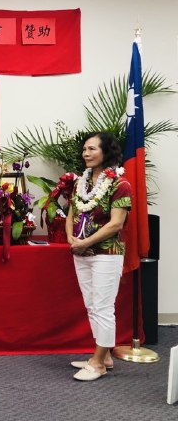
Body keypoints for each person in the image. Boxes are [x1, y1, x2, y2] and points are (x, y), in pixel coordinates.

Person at [66, 132, 131, 381]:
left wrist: (85, 242)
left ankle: (98, 363)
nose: (86, 153)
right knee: (92, 305)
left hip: (107, 253)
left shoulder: (120, 184)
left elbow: (116, 224)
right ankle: (104, 357)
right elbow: (71, 213)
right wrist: (71, 238)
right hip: (81, 252)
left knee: (103, 307)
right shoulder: (80, 183)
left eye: (92, 149)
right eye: (84, 149)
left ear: (107, 152)